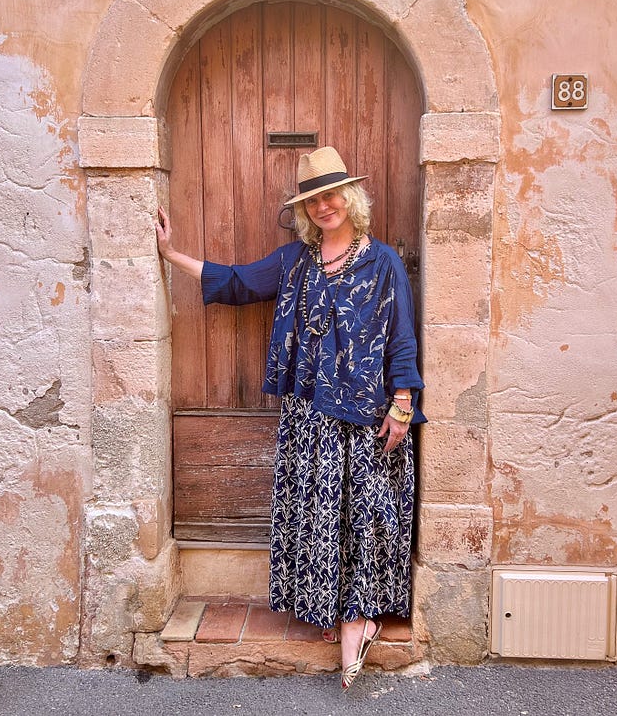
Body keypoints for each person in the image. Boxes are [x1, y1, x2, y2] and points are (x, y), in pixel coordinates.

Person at [155, 146, 424, 691]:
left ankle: (359, 619)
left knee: (364, 518)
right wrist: (170, 254)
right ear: (305, 210)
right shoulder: (294, 261)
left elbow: (401, 337)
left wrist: (402, 405)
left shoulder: (383, 262)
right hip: (309, 415)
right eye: (313, 200)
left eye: (332, 195)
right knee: (320, 516)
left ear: (351, 198)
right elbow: (236, 282)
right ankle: (336, 610)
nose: (325, 206)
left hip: (368, 413)